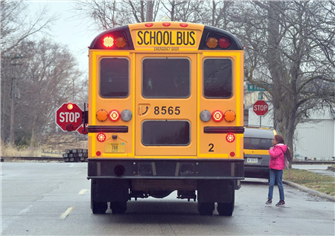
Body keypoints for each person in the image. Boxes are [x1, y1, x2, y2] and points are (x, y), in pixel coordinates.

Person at [266, 134, 287, 207]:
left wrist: (270, 150)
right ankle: (270, 198)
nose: (272, 140)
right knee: (271, 183)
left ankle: (282, 200)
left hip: (278, 168)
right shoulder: (276, 147)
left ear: (277, 141)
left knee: (279, 183)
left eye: (273, 139)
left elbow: (274, 155)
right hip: (273, 167)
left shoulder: (279, 148)